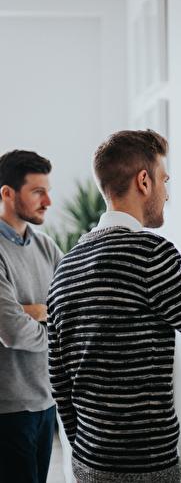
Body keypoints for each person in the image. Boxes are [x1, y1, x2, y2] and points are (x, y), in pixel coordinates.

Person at [48, 130, 181, 483]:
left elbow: (59, 378)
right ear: (144, 181)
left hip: (87, 462)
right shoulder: (150, 255)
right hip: (146, 467)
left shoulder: (67, 265)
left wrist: (87, 454)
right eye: (164, 180)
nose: (166, 193)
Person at [0, 150, 62, 483]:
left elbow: (72, 312)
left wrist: (34, 312)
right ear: (7, 194)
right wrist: (35, 315)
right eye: (37, 191)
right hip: (7, 410)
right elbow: (12, 331)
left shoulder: (48, 247)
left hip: (46, 402)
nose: (48, 200)